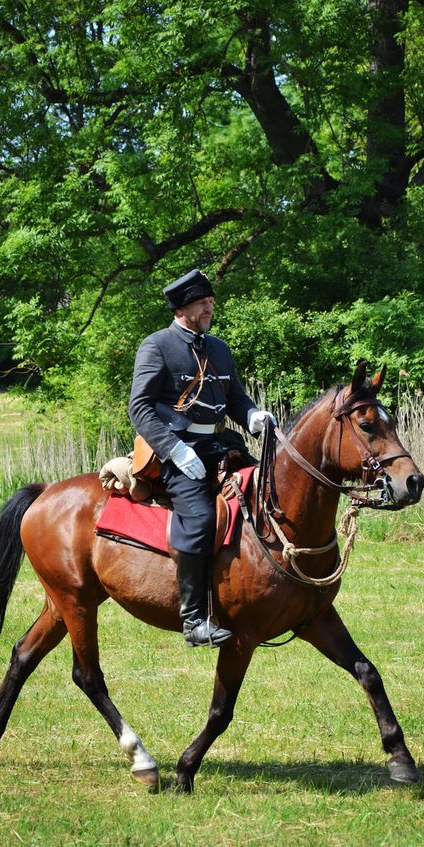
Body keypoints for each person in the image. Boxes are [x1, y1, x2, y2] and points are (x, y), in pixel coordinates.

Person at [129, 268, 275, 648]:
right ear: (182, 307)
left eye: (210, 301)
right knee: (200, 517)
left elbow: (236, 399)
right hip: (178, 450)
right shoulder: (157, 345)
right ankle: (194, 619)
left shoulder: (219, 349)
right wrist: (173, 449)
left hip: (218, 445)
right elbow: (140, 407)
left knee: (268, 490)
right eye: (202, 302)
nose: (210, 307)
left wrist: (252, 416)